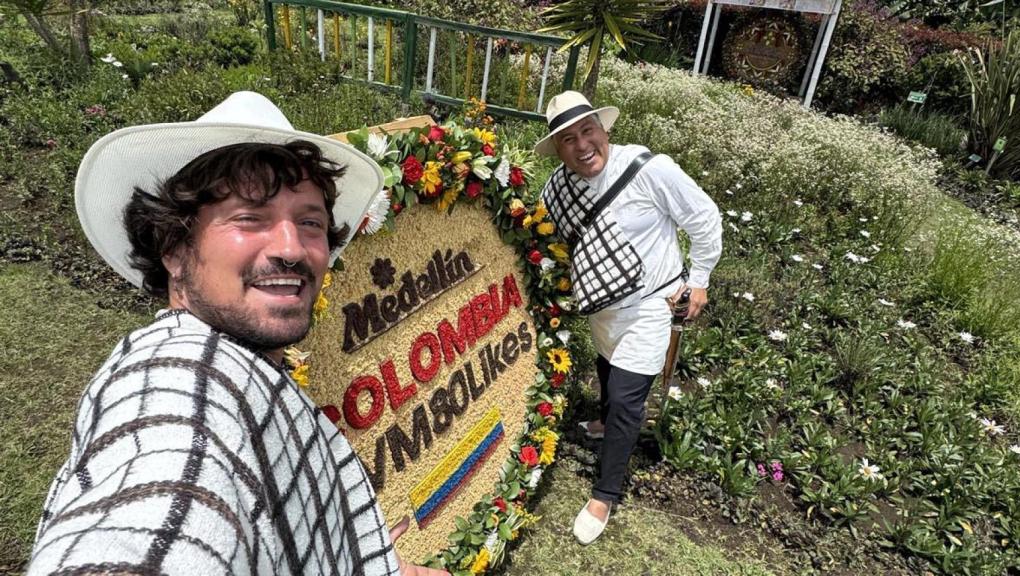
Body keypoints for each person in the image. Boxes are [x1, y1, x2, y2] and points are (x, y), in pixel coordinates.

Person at [27, 91, 446, 576]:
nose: (293, 248)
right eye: (250, 218)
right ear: (174, 248)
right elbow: (158, 514)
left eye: (310, 222)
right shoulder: (177, 379)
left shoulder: (242, 363)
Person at [534, 91, 722, 545]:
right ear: (557, 149)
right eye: (567, 139)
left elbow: (704, 217)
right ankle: (602, 423)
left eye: (587, 131)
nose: (581, 146)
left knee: (626, 396)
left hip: (653, 303)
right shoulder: (556, 189)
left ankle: (604, 493)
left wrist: (699, 279)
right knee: (607, 367)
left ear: (604, 129)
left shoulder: (647, 169)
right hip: (603, 306)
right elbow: (552, 240)